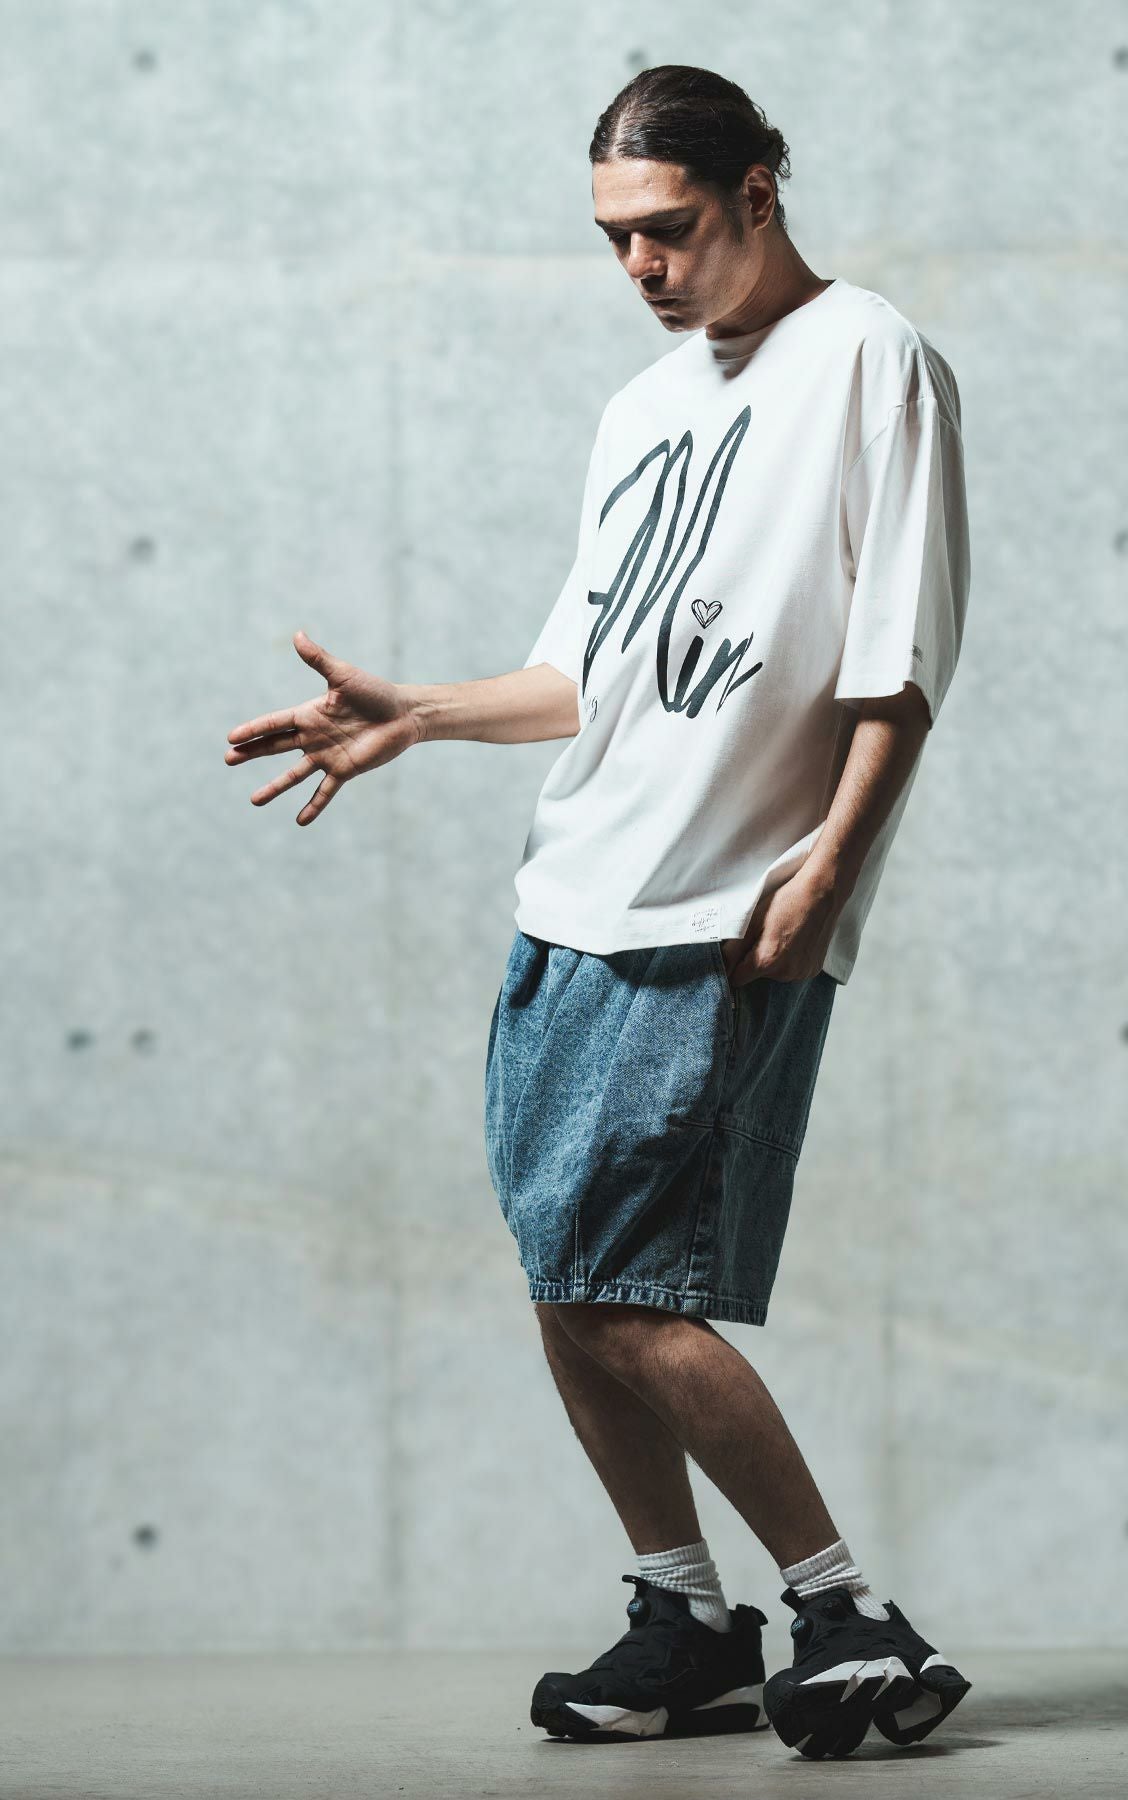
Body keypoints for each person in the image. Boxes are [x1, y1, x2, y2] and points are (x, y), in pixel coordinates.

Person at [224, 64, 970, 1762]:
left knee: (628, 1288)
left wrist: (830, 869)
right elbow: (583, 675)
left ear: (760, 188)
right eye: (615, 238)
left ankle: (846, 1613)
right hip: (572, 899)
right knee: (567, 1278)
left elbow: (902, 660)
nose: (641, 265)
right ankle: (684, 1617)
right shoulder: (642, 410)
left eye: (670, 228)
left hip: (716, 909)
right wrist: (419, 714)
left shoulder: (872, 359)